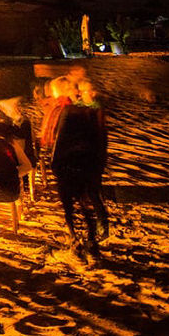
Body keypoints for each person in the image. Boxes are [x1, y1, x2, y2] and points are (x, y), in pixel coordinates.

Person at [42, 79, 110, 259]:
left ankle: (77, 245)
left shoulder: (69, 111)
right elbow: (99, 139)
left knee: (70, 207)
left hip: (68, 164)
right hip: (87, 164)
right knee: (84, 204)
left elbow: (61, 140)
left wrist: (55, 164)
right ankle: (91, 244)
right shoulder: (91, 111)